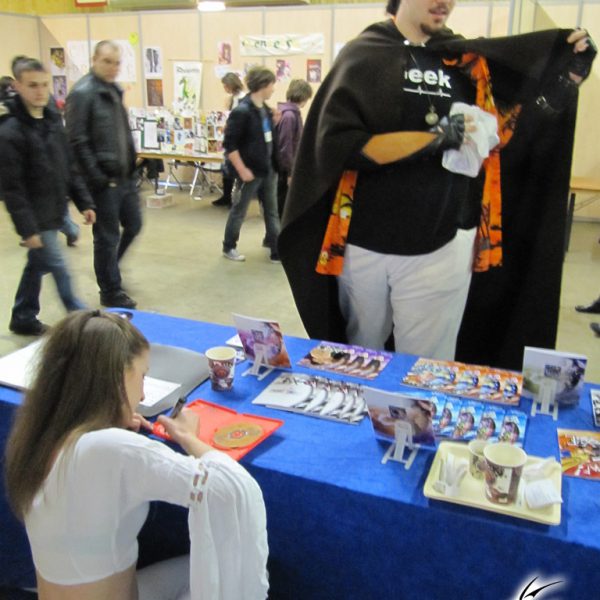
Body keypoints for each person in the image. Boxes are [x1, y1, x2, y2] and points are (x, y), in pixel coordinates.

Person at [279, 0, 596, 368]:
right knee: (359, 358)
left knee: (427, 368)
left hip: (442, 245)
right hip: (364, 245)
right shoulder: (363, 55)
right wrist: (436, 139)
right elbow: (341, 146)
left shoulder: (467, 60)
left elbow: (516, 127)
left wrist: (565, 78)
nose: (443, 2)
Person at [4, 310, 269, 599]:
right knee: (238, 570)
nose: (142, 396)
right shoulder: (111, 449)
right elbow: (230, 488)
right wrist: (188, 438)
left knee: (208, 570)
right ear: (117, 378)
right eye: (142, 376)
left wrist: (111, 421)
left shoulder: (39, 433)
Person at [0, 59, 95, 336]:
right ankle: (82, 320)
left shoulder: (53, 122)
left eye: (44, 85)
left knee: (37, 265)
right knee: (59, 266)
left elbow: (69, 168)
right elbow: (12, 189)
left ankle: (22, 316)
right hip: (36, 217)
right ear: (18, 87)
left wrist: (85, 202)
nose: (40, 91)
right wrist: (27, 230)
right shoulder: (10, 132)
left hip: (55, 210)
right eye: (32, 85)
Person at [66, 40, 142, 309]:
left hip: (124, 177)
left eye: (117, 63)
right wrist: (96, 177)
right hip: (103, 181)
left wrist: (132, 161)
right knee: (107, 238)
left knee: (134, 224)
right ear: (94, 60)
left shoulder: (112, 90)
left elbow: (122, 131)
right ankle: (110, 290)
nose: (112, 67)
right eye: (107, 61)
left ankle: (112, 269)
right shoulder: (82, 93)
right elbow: (77, 141)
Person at [221, 66, 281, 263]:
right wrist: (242, 169)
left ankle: (276, 250)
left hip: (268, 168)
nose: (273, 89)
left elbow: (265, 138)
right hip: (250, 171)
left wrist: (274, 122)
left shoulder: (265, 110)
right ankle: (229, 246)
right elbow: (230, 145)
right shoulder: (242, 111)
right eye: (271, 84)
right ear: (263, 85)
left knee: (272, 211)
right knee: (240, 210)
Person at [275, 79, 313, 218]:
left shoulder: (290, 113)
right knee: (283, 205)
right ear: (303, 96)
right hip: (285, 169)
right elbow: (286, 147)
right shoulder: (289, 116)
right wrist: (290, 172)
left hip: (287, 167)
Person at [213, 72, 245, 208]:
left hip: (239, 141)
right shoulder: (232, 99)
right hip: (231, 137)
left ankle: (236, 200)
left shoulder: (243, 99)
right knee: (226, 169)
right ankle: (226, 196)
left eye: (225, 86)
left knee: (235, 171)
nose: (225, 88)